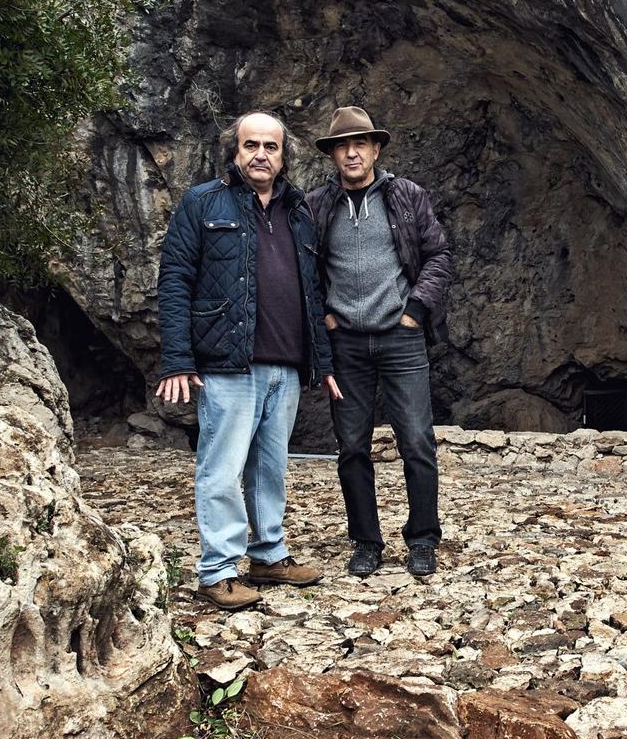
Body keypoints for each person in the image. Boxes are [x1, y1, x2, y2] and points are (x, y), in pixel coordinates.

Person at [154, 110, 342, 610]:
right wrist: (177, 359)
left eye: (271, 147)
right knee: (221, 469)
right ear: (234, 151)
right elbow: (174, 280)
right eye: (251, 145)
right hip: (228, 363)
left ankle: (268, 555)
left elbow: (311, 293)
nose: (261, 154)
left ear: (284, 156)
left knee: (270, 469)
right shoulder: (203, 202)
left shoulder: (298, 211)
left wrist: (320, 364)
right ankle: (217, 570)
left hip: (285, 364)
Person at [305, 107, 452, 578]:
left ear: (376, 149)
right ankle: (366, 541)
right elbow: (303, 269)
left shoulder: (406, 195)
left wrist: (414, 311)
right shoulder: (316, 205)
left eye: (361, 143)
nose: (352, 152)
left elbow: (438, 256)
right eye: (342, 146)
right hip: (345, 343)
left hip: (400, 340)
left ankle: (423, 538)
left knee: (416, 441)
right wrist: (324, 314)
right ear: (332, 154)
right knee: (351, 446)